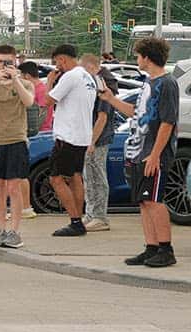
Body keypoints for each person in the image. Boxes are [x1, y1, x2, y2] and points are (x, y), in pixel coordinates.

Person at [100, 36, 179, 267]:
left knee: (154, 201)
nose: (137, 60)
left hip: (153, 154)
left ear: (147, 57)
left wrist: (155, 154)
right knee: (144, 202)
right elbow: (137, 113)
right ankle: (151, 246)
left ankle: (166, 249)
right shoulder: (148, 83)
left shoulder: (167, 83)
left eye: (138, 56)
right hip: (138, 151)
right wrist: (110, 99)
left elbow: (167, 122)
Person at [0, 45, 35, 248]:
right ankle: (1, 229)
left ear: (16, 62)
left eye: (8, 62)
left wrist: (15, 79)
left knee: (14, 187)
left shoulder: (25, 84)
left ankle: (15, 230)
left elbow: (29, 102)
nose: (4, 65)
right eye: (1, 61)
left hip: (16, 139)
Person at [45, 44, 97, 237]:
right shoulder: (87, 76)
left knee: (56, 178)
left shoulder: (70, 76)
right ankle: (79, 219)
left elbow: (48, 100)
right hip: (82, 135)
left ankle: (75, 221)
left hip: (67, 135)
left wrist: (50, 81)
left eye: (57, 62)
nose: (57, 66)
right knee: (75, 176)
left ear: (62, 59)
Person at [80, 54, 113, 233]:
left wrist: (92, 140)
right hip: (91, 137)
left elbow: (102, 116)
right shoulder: (95, 82)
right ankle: (91, 213)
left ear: (91, 68)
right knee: (89, 176)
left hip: (99, 138)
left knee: (97, 175)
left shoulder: (103, 83)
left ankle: (100, 216)